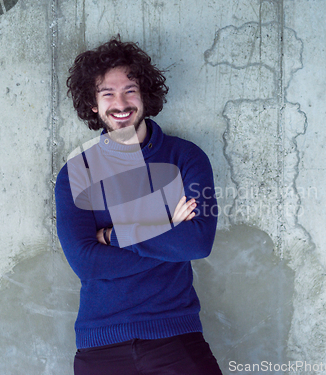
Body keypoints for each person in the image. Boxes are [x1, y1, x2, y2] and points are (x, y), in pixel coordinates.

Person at [55, 36, 222, 375]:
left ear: (145, 94)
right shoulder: (75, 173)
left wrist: (112, 236)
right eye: (107, 94)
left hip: (175, 336)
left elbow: (197, 243)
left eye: (130, 90)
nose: (121, 103)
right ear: (93, 104)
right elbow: (87, 264)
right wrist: (164, 226)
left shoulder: (185, 158)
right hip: (100, 344)